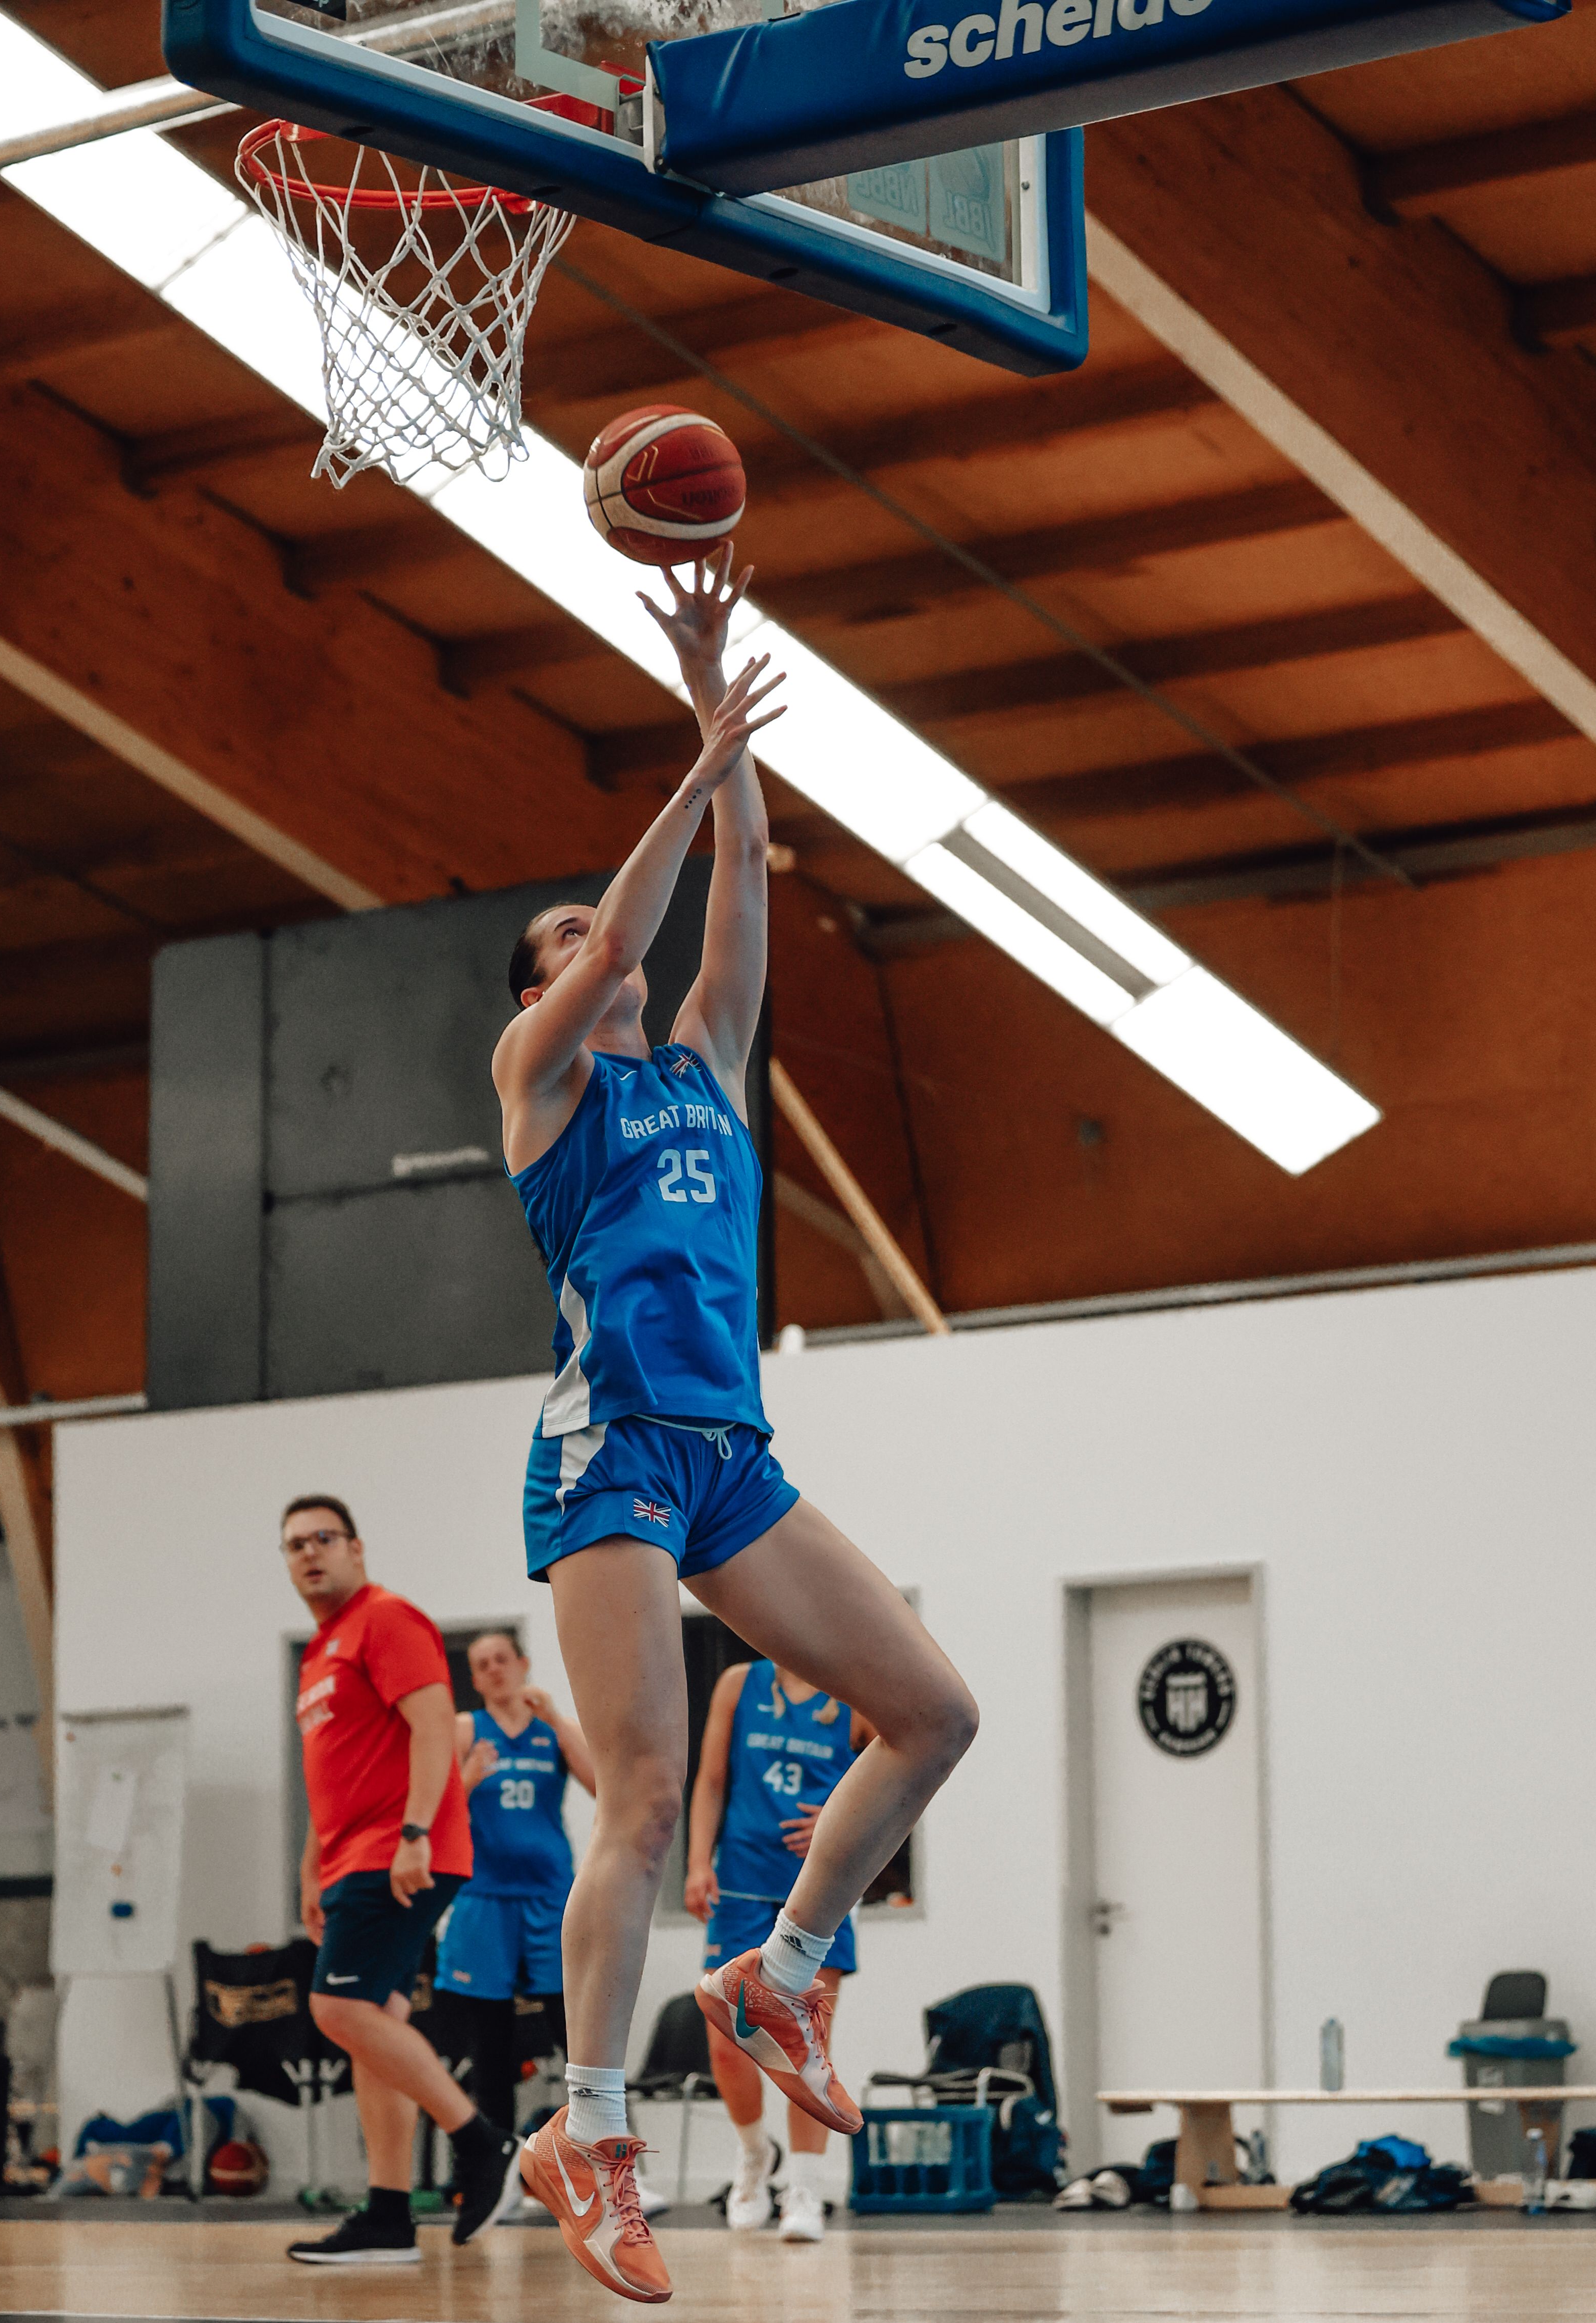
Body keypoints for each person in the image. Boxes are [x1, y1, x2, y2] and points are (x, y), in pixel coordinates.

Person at [493, 546, 979, 2304]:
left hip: (727, 1454)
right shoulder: (541, 1084)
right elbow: (634, 926)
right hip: (609, 1451)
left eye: (593, 933)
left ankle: (778, 1971)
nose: (594, 948)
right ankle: (590, 2125)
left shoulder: (705, 1063)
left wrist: (725, 719)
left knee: (932, 1711)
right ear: (539, 993)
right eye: (560, 944)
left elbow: (737, 888)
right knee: (636, 1798)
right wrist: (691, 769)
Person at [280, 1495, 524, 2262]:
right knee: (374, 2025)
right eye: (294, 1544)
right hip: (350, 1856)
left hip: (397, 1850)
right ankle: (388, 2214)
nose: (309, 1553)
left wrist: (416, 1832)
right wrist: (310, 1869)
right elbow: (333, 1772)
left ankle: (482, 2143)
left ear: (355, 1548)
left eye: (322, 1538)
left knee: (338, 2006)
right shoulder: (320, 1653)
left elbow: (432, 1725)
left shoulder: (386, 1620)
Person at [685, 1660, 871, 2243]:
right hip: (740, 1881)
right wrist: (697, 1862)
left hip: (819, 1885)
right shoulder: (738, 1683)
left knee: (808, 2044)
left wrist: (844, 1816)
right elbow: (711, 1780)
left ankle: (805, 2187)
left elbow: (904, 1776)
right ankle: (753, 2154)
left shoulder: (854, 1689)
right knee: (726, 2043)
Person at [433, 1631, 592, 2143]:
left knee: (574, 2031)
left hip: (549, 1895)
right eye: (482, 1664)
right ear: (475, 1679)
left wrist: (559, 1722)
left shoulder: (552, 1727)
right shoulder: (466, 1729)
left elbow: (602, 1785)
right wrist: (468, 1777)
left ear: (523, 1664)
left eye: (502, 1659)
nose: (494, 1669)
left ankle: (605, 2149)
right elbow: (433, 1811)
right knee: (490, 2041)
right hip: (485, 1897)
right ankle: (497, 2160)